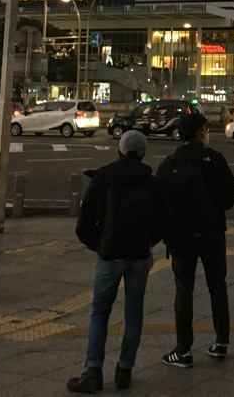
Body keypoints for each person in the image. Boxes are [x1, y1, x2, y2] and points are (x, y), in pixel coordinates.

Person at [67, 130, 162, 394]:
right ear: (143, 153)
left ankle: (94, 371)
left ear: (118, 151)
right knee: (134, 314)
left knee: (100, 312)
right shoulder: (151, 181)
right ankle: (124, 371)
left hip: (110, 256)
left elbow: (84, 224)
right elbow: (162, 220)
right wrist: (148, 242)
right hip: (140, 256)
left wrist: (100, 245)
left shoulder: (103, 179)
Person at [158, 113, 234, 368]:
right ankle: (221, 342)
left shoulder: (170, 163)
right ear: (198, 133)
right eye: (205, 128)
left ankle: (183, 351)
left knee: (184, 290)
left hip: (181, 237)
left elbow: (160, 200)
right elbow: (230, 195)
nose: (207, 132)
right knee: (218, 287)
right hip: (213, 232)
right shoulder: (214, 159)